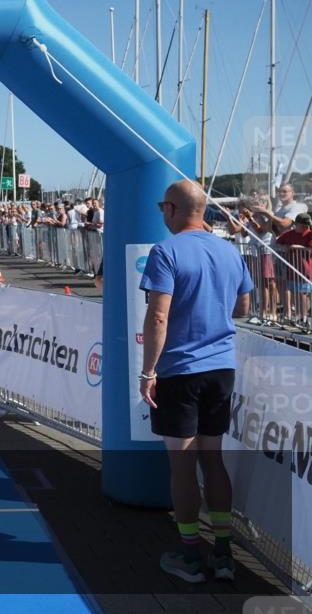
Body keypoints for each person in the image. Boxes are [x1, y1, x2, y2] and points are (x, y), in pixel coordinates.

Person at [139, 180, 253, 584]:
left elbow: (157, 317)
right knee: (212, 459)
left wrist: (148, 371)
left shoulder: (165, 251)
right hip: (221, 368)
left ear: (172, 209)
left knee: (182, 465)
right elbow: (242, 306)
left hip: (180, 370)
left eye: (161, 207)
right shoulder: (229, 250)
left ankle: (190, 555)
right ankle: (223, 553)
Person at [275, 212, 312, 323]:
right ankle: (298, 315)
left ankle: (304, 317)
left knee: (303, 293)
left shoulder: (310, 234)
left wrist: (297, 247)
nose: (306, 227)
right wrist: (285, 247)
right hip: (292, 269)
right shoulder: (289, 234)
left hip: (306, 269)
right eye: (304, 225)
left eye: (308, 225)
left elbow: (310, 249)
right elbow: (278, 243)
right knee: (295, 292)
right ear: (296, 224)